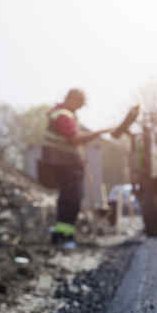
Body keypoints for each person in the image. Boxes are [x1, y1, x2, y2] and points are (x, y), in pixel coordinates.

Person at [42, 89, 109, 248]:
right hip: (66, 165)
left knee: (67, 199)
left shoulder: (61, 114)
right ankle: (65, 238)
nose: (79, 107)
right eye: (79, 103)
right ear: (71, 99)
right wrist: (100, 132)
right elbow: (75, 139)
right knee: (72, 200)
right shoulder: (63, 115)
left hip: (64, 164)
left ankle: (61, 235)